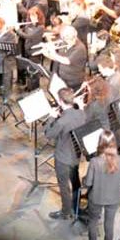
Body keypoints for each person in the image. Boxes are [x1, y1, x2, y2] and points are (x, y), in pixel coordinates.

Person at [82, 130, 120, 240]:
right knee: (109, 225)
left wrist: (84, 180)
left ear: (100, 143)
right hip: (113, 198)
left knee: (92, 223)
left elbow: (88, 182)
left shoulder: (94, 161)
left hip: (96, 197)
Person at [45, 88, 87, 219]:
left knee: (63, 185)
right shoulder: (81, 113)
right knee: (75, 181)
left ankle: (66, 211)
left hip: (63, 158)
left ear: (60, 101)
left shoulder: (62, 121)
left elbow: (48, 134)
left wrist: (51, 117)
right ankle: (76, 206)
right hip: (76, 155)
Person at [42, 25, 87, 91]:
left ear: (75, 35)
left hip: (73, 80)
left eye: (69, 37)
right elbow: (59, 58)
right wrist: (48, 55)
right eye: (65, 38)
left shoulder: (80, 48)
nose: (67, 40)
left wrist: (53, 52)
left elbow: (66, 61)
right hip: (62, 77)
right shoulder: (64, 43)